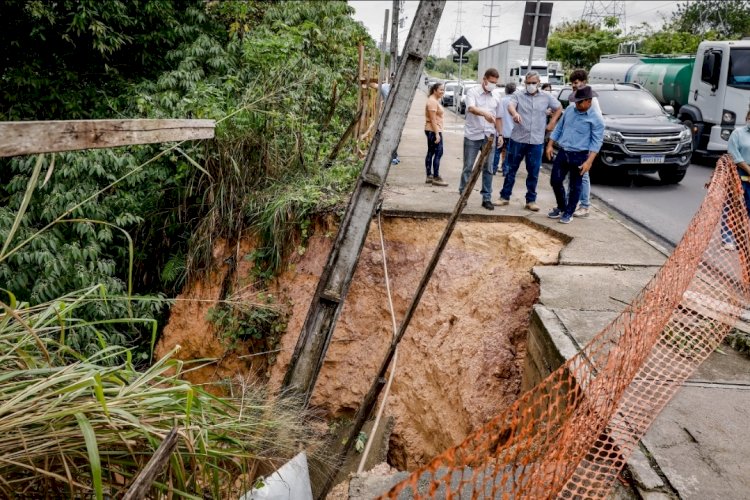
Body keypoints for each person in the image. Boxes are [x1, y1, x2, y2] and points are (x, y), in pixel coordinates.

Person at [495, 71, 562, 211]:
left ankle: (531, 200)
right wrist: (515, 114)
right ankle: (504, 197)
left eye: (533, 83)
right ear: (525, 83)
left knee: (533, 172)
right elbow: (510, 106)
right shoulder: (518, 95)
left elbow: (559, 107)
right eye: (528, 83)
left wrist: (552, 123)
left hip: (536, 141)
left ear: (538, 83)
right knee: (511, 169)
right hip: (518, 139)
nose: (531, 85)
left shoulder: (546, 97)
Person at [545, 86, 605, 224]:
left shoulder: (596, 119)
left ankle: (569, 212)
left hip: (580, 155)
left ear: (589, 102)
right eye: (576, 101)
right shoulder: (570, 111)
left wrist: (589, 162)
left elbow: (597, 143)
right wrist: (549, 145)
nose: (576, 104)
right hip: (563, 151)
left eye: (579, 102)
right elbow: (559, 128)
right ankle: (561, 206)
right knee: (555, 180)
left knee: (575, 185)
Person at [459, 68, 504, 211]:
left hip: (489, 136)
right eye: (491, 82)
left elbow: (498, 117)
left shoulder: (497, 96)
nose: (493, 85)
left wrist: (500, 134)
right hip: (473, 135)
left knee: (489, 168)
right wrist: (484, 113)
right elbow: (471, 108)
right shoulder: (473, 92)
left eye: (495, 83)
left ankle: (486, 198)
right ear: (484, 79)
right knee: (468, 167)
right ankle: (463, 196)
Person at [568, 69, 602, 218]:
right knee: (573, 175)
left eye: (576, 83)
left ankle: (584, 205)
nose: (574, 86)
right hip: (574, 143)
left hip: (585, 144)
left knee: (583, 174)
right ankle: (571, 203)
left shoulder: (591, 100)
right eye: (572, 84)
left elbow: (597, 124)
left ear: (584, 82)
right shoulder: (574, 98)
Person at [722, 107, 750, 249]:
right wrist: (748, 169)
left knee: (747, 209)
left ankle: (742, 237)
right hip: (738, 175)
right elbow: (734, 154)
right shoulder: (738, 133)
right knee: (732, 207)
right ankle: (727, 237)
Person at [425, 82, 448, 186]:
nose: (442, 92)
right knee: (438, 152)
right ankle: (436, 177)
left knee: (431, 152)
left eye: (443, 90)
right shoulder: (432, 102)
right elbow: (433, 119)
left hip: (432, 130)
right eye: (440, 90)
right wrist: (437, 134)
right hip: (433, 130)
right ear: (435, 90)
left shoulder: (434, 100)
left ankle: (429, 176)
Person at [491, 82, 516, 176]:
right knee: (508, 152)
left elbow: (497, 116)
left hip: (500, 130)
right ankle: (505, 170)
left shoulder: (501, 100)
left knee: (497, 151)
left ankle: (493, 169)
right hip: (511, 131)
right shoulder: (515, 102)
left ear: (506, 90)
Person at [379, 75, 401, 165]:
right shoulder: (385, 87)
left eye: (396, 78)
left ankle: (394, 155)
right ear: (391, 79)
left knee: (396, 137)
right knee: (388, 136)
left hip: (397, 116)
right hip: (387, 116)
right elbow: (375, 85)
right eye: (393, 78)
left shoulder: (400, 89)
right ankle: (391, 157)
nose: (394, 80)